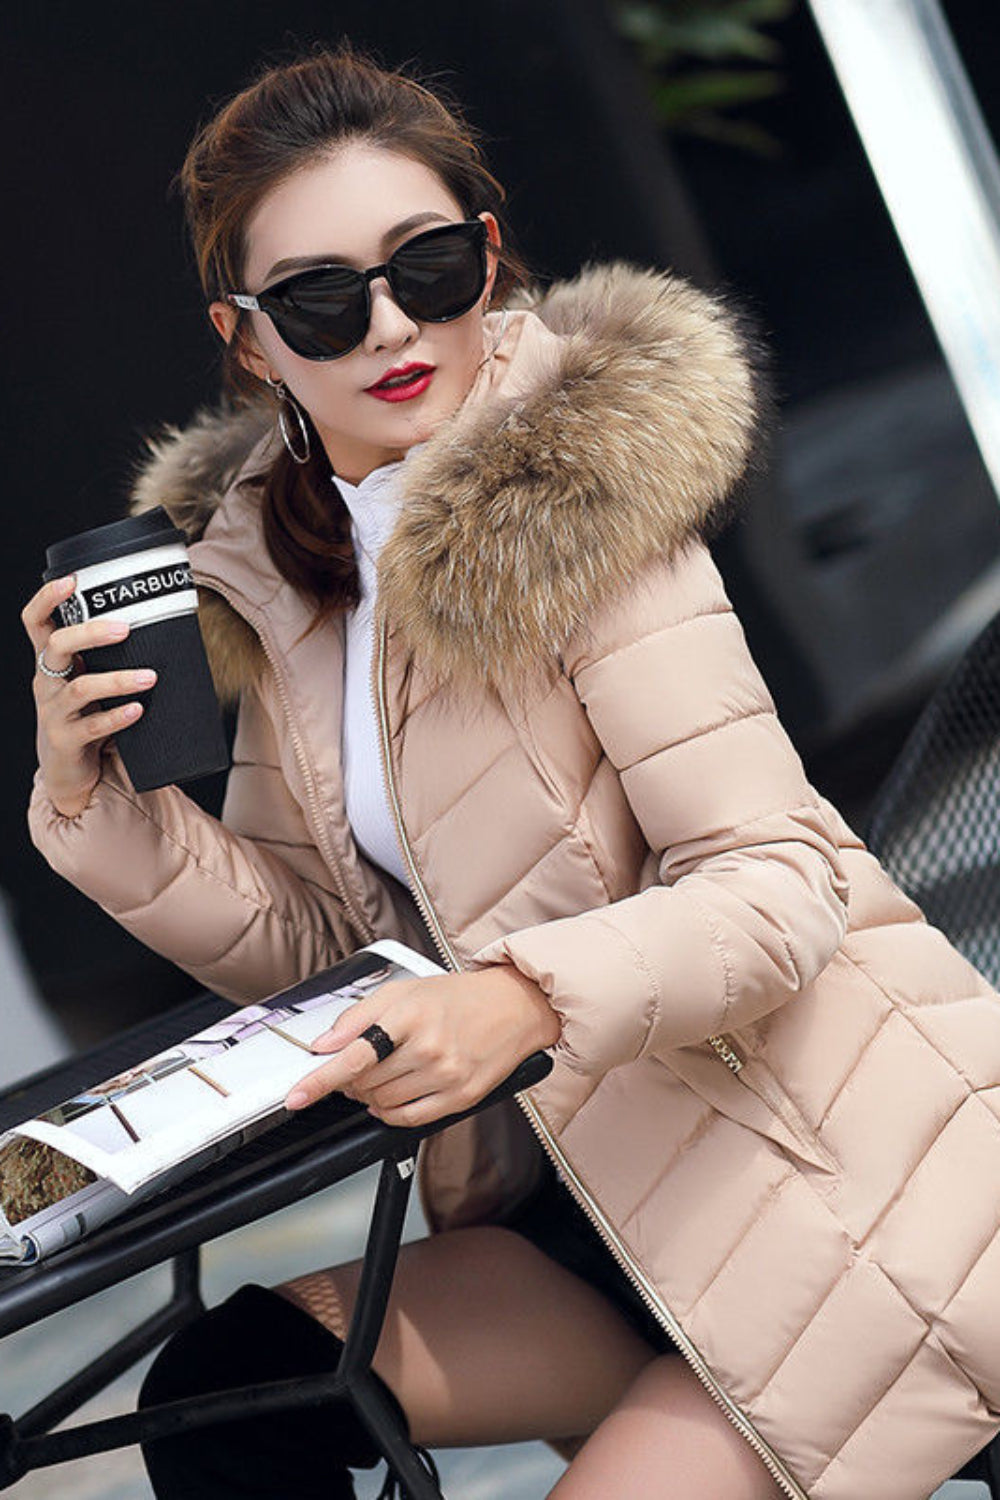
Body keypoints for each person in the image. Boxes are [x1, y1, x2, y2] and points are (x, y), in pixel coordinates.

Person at [20, 44, 1000, 1500]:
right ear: (248, 341)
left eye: (426, 266)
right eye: (319, 300)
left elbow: (783, 880)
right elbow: (325, 946)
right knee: (223, 1396)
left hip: (825, 1194)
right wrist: (101, 812)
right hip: (581, 1206)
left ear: (488, 255)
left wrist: (524, 995)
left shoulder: (578, 513)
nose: (389, 326)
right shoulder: (284, 576)